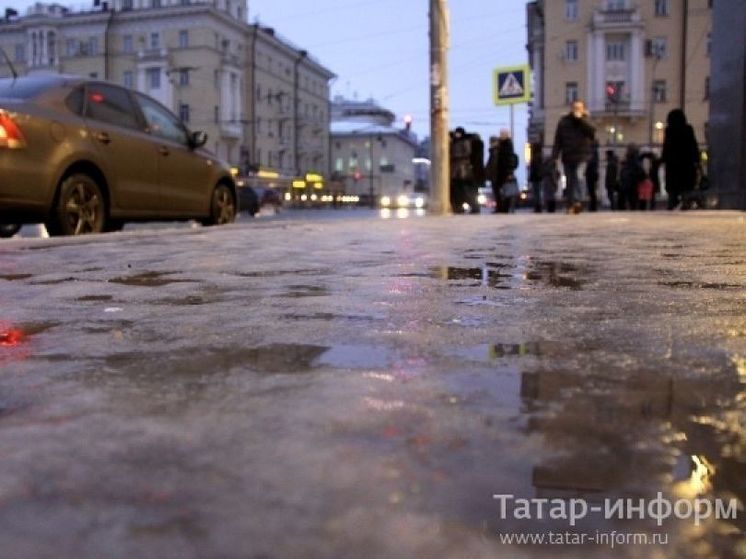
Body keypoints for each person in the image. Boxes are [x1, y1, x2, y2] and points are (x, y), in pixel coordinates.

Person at [551, 100, 596, 214]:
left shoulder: (586, 120)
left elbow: (592, 133)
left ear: (583, 109)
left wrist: (580, 119)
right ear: (571, 109)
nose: (577, 110)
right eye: (575, 108)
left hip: (582, 155)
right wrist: (555, 156)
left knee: (579, 176)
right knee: (570, 181)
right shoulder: (564, 122)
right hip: (568, 155)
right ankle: (570, 204)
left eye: (579, 108)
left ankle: (578, 201)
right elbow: (558, 140)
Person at [660, 109, 700, 210]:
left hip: (673, 167)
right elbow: (693, 146)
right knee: (686, 190)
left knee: (672, 191)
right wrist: (697, 161)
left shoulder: (669, 130)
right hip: (687, 166)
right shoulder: (688, 129)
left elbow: (666, 148)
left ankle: (672, 206)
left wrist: (663, 160)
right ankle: (685, 205)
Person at [449, 127, 485, 214]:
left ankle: (468, 206)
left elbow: (466, 153)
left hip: (463, 170)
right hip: (459, 170)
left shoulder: (464, 142)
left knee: (464, 189)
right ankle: (459, 206)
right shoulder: (457, 141)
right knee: (459, 189)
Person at [486, 129, 518, 213]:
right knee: (499, 191)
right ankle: (501, 208)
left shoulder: (506, 146)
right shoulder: (499, 146)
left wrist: (510, 171)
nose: (501, 135)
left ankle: (504, 208)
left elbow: (508, 160)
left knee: (504, 191)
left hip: (503, 172)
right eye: (501, 134)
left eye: (503, 134)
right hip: (499, 172)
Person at [618, 144, 645, 211]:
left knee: (627, 201)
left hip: (629, 184)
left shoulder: (631, 161)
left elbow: (640, 172)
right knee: (631, 201)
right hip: (631, 184)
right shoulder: (634, 161)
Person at [528, 142, 544, 212]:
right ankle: (538, 206)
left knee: (536, 192)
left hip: (536, 177)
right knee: (538, 192)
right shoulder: (539, 156)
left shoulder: (535, 157)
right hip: (538, 176)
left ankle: (538, 207)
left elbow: (534, 168)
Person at [585, 140, 600, 212]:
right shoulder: (595, 152)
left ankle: (593, 206)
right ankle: (593, 206)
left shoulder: (593, 152)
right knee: (592, 191)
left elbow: (590, 162)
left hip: (591, 174)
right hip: (592, 174)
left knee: (591, 191)